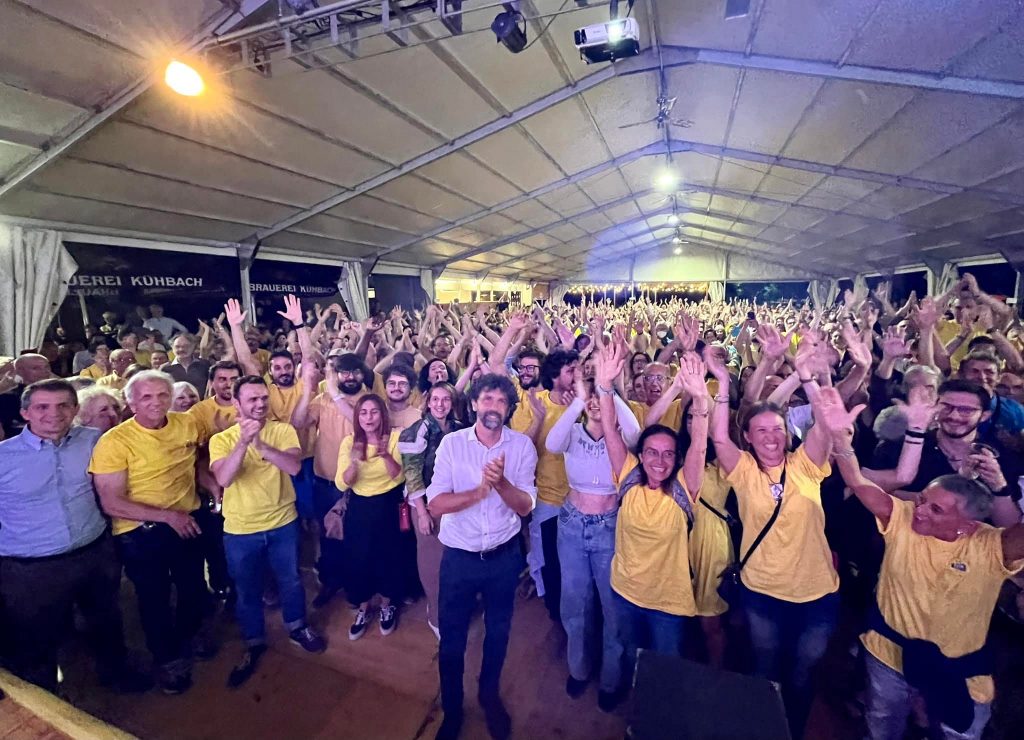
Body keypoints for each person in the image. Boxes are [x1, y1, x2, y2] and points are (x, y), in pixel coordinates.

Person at [818, 387, 1024, 740]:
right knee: (882, 723)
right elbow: (856, 481)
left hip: (960, 669)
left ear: (967, 525)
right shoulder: (901, 517)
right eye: (923, 500)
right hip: (888, 655)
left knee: (958, 733)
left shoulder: (992, 546)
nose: (921, 510)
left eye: (936, 509)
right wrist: (839, 439)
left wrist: (1002, 487)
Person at [707, 351, 838, 738]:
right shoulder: (743, 470)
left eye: (777, 429)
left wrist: (808, 377)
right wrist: (723, 382)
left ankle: (791, 730)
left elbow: (824, 425)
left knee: (803, 670)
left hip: (816, 593)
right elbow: (718, 436)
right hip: (763, 591)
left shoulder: (806, 465)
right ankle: (762, 728)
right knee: (765, 665)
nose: (770, 436)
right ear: (748, 437)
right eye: (761, 430)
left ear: (788, 432)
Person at [0, 379, 150, 693]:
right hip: (32, 567)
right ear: (25, 413)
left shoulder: (95, 441)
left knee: (106, 620)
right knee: (36, 638)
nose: (54, 414)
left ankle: (116, 675)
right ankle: (46, 701)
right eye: (42, 407)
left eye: (63, 405)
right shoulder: (4, 458)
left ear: (75, 409)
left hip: (94, 552)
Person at [427, 373, 538, 740]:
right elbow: (436, 503)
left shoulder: (522, 447)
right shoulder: (452, 445)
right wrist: (478, 492)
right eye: (487, 399)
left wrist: (501, 483)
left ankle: (489, 697)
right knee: (452, 639)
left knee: (498, 632)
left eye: (502, 401)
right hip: (459, 559)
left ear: (509, 409)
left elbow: (525, 507)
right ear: (474, 404)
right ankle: (453, 711)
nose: (494, 407)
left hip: (503, 559)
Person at [89, 370, 215, 694]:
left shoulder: (187, 423)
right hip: (140, 531)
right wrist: (168, 517)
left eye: (162, 395)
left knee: (192, 586)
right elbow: (111, 502)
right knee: (154, 597)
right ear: (130, 403)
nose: (156, 402)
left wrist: (209, 484)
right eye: (146, 397)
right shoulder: (114, 442)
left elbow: (199, 456)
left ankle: (189, 636)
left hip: (186, 519)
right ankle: (167, 659)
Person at [601, 348, 709, 683]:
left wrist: (700, 399)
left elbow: (699, 445)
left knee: (665, 669)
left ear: (677, 459)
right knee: (631, 656)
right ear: (640, 455)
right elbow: (609, 430)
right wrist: (604, 386)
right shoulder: (628, 476)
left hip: (668, 603)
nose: (659, 461)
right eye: (651, 452)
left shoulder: (685, 489)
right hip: (625, 593)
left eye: (667, 454)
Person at [210, 376, 325, 687]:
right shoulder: (221, 440)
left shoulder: (283, 430)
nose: (260, 404)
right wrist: (243, 442)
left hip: (282, 522)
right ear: (237, 403)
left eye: (264, 398)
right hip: (241, 528)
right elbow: (224, 478)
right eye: (252, 399)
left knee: (290, 580)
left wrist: (260, 444)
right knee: (247, 589)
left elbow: (293, 467)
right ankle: (254, 641)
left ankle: (297, 626)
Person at [544, 342, 641, 710]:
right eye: (592, 400)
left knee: (613, 605)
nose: (596, 405)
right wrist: (579, 400)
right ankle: (579, 668)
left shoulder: (621, 438)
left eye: (602, 400)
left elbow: (635, 432)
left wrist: (608, 390)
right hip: (572, 525)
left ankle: (612, 679)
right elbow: (552, 443)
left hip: (610, 526)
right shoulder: (573, 433)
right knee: (575, 602)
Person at [399, 382, 466, 639]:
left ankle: (455, 607)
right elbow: (413, 475)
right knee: (433, 564)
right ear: (428, 402)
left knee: (455, 560)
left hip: (453, 503)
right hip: (427, 505)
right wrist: (422, 513)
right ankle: (437, 616)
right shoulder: (416, 432)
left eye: (445, 399)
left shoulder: (459, 428)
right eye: (435, 399)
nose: (440, 404)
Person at [337, 393, 406, 640]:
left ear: (382, 415)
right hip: (360, 508)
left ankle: (387, 606)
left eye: (374, 412)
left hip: (388, 504)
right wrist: (354, 463)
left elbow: (399, 477)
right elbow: (341, 483)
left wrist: (385, 455)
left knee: (389, 557)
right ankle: (364, 608)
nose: (369, 418)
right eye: (363, 413)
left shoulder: (395, 438)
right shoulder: (349, 442)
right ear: (357, 417)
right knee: (359, 559)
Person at [0, 353, 54, 437]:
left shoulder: (58, 391)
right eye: (36, 368)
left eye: (47, 367)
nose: (45, 371)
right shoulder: (8, 396)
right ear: (19, 370)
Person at [164, 333, 211, 398]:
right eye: (177, 347)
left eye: (186, 346)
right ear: (172, 348)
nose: (181, 349)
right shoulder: (165, 368)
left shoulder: (205, 364)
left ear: (193, 347)